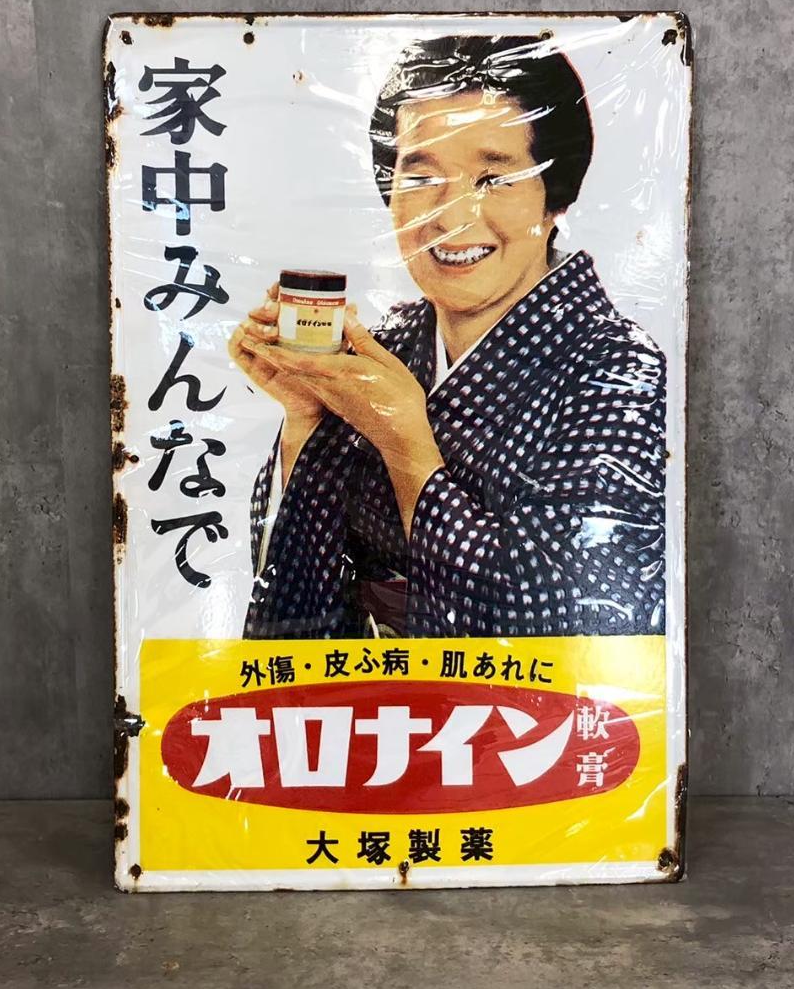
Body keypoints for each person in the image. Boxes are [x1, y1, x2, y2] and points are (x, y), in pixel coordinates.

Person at [228, 34, 667, 639]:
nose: (452, 217)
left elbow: (578, 616)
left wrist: (406, 441)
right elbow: (292, 598)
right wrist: (307, 417)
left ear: (554, 196)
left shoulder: (618, 372)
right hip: (365, 694)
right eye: (420, 177)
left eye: (493, 179)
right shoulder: (388, 347)